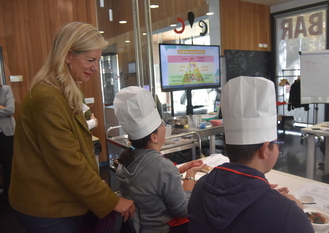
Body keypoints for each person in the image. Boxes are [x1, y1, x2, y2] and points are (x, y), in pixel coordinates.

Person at [9, 22, 135, 233]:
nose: (95, 67)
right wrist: (111, 201)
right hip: (45, 207)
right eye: (90, 60)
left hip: (57, 200)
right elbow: (69, 163)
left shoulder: (64, 91)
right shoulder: (48, 98)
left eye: (98, 60)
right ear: (68, 56)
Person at [188, 76, 314, 233]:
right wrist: (296, 210)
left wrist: (262, 193)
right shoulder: (288, 213)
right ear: (265, 149)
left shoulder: (200, 187)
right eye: (277, 145)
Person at [113, 86, 206, 233]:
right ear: (154, 137)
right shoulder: (162, 168)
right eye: (162, 124)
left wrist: (176, 171)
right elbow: (183, 210)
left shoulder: (126, 159)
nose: (165, 126)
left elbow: (148, 180)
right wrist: (190, 176)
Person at [0, 82, 15, 204]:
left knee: (8, 165)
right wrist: (1, 108)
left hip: (6, 134)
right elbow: (6, 111)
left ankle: (10, 196)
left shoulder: (5, 89)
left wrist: (5, 109)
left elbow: (11, 109)